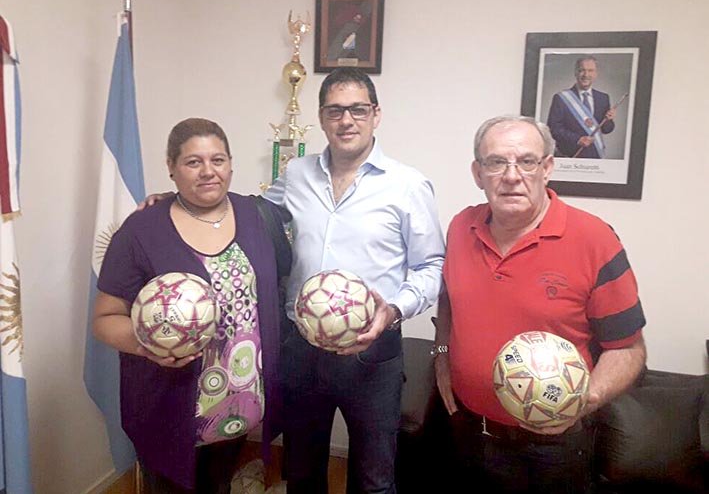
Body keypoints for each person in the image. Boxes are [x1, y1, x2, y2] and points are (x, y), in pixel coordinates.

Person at [434, 115, 646, 493]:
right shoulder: (459, 226)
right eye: (496, 162)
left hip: (551, 449)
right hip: (468, 431)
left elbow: (628, 348)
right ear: (477, 173)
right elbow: (448, 295)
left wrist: (582, 402)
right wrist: (442, 352)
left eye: (527, 161)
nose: (511, 175)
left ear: (547, 168)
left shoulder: (594, 239)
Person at [264, 67, 445, 493]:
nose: (346, 120)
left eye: (358, 110)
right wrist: (180, 204)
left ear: (376, 115)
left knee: (375, 479)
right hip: (301, 349)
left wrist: (395, 309)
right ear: (322, 117)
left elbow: (432, 266)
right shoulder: (296, 174)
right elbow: (254, 217)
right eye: (335, 111)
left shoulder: (407, 185)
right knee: (303, 473)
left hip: (373, 353)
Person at [93, 118, 289, 493]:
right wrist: (146, 345)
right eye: (193, 162)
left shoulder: (257, 216)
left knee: (219, 484)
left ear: (231, 164)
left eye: (217, 160)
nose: (208, 172)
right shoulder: (141, 230)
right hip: (170, 406)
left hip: (239, 403)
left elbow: (276, 288)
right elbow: (104, 319)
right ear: (171, 166)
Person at [547, 55, 616, 158]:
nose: (586, 74)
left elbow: (606, 129)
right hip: (570, 155)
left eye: (590, 70)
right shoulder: (561, 98)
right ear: (576, 73)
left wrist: (609, 120)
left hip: (595, 156)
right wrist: (577, 139)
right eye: (582, 70)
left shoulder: (603, 98)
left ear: (596, 74)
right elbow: (553, 129)